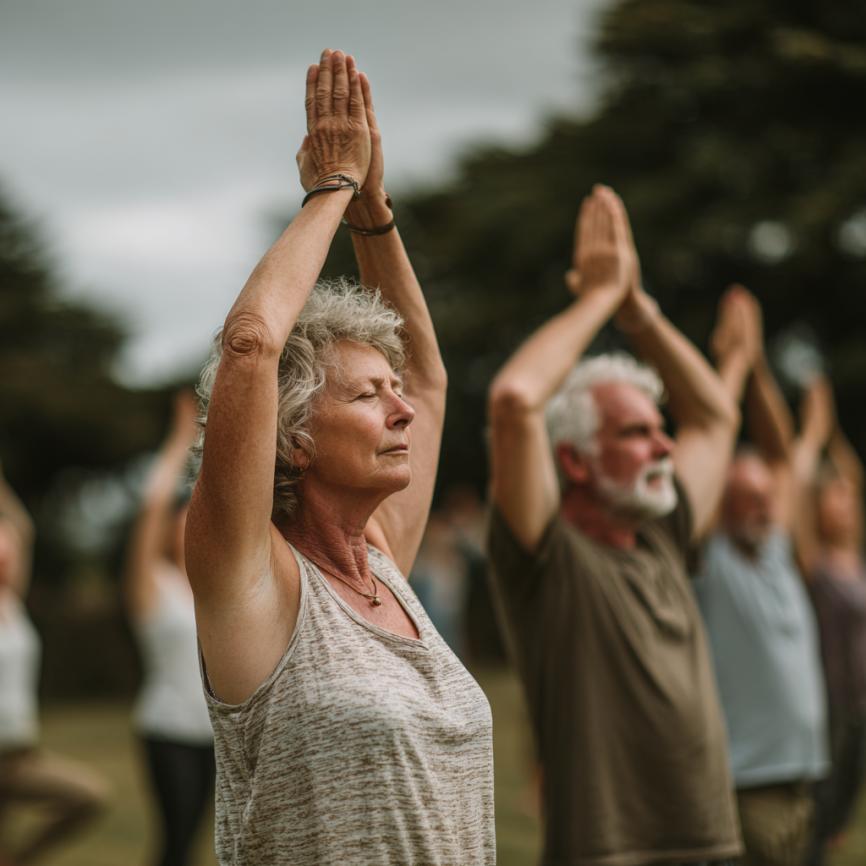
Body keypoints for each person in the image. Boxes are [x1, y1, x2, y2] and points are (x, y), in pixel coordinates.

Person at [185, 49, 494, 866]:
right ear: (293, 435)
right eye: (365, 395)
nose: (400, 409)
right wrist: (330, 191)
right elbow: (252, 344)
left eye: (389, 393)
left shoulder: (385, 560)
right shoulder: (251, 578)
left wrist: (374, 212)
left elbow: (427, 376)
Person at [487, 184, 743, 865]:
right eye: (636, 433)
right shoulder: (548, 557)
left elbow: (716, 417)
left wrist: (638, 311)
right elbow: (515, 401)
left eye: (660, 430)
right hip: (609, 853)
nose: (664, 447)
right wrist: (597, 298)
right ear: (573, 459)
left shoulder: (664, 534)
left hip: (713, 843)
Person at [691, 287, 828, 866]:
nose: (765, 508)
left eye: (767, 499)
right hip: (744, 782)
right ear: (719, 502)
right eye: (745, 499)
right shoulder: (708, 555)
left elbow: (780, 453)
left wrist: (756, 364)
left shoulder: (774, 548)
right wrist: (731, 367)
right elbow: (713, 439)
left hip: (800, 776)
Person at [0, 461, 110, 865]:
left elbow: (23, 529)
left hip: (21, 755)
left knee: (90, 796)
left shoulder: (12, 605)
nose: (7, 557)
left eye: (8, 551)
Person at [123, 390, 215, 866]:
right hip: (168, 730)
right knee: (174, 845)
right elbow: (149, 509)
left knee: (196, 846)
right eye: (182, 520)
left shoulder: (208, 591)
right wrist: (179, 441)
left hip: (211, 734)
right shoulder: (151, 584)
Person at [794, 376, 866, 866]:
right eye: (833, 495)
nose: (845, 500)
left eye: (849, 496)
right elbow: (796, 489)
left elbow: (853, 473)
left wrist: (833, 425)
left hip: (861, 708)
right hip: (829, 710)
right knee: (811, 828)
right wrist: (813, 435)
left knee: (838, 820)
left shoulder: (855, 559)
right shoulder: (813, 562)